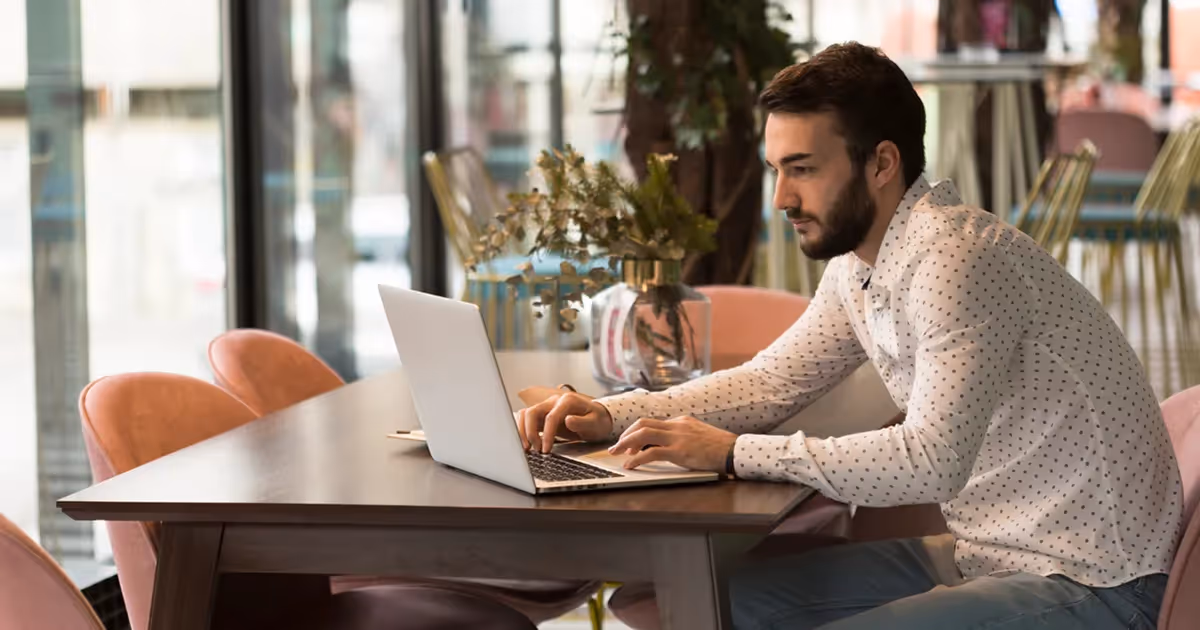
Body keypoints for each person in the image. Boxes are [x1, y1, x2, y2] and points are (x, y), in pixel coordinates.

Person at [516, 41, 1183, 629]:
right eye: (777, 168)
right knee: (703, 602)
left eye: (802, 168)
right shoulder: (861, 264)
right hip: (991, 553)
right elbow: (772, 381)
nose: (780, 198)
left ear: (881, 164)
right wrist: (608, 415)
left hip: (1095, 582)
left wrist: (734, 453)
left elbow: (931, 460)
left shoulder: (957, 260)